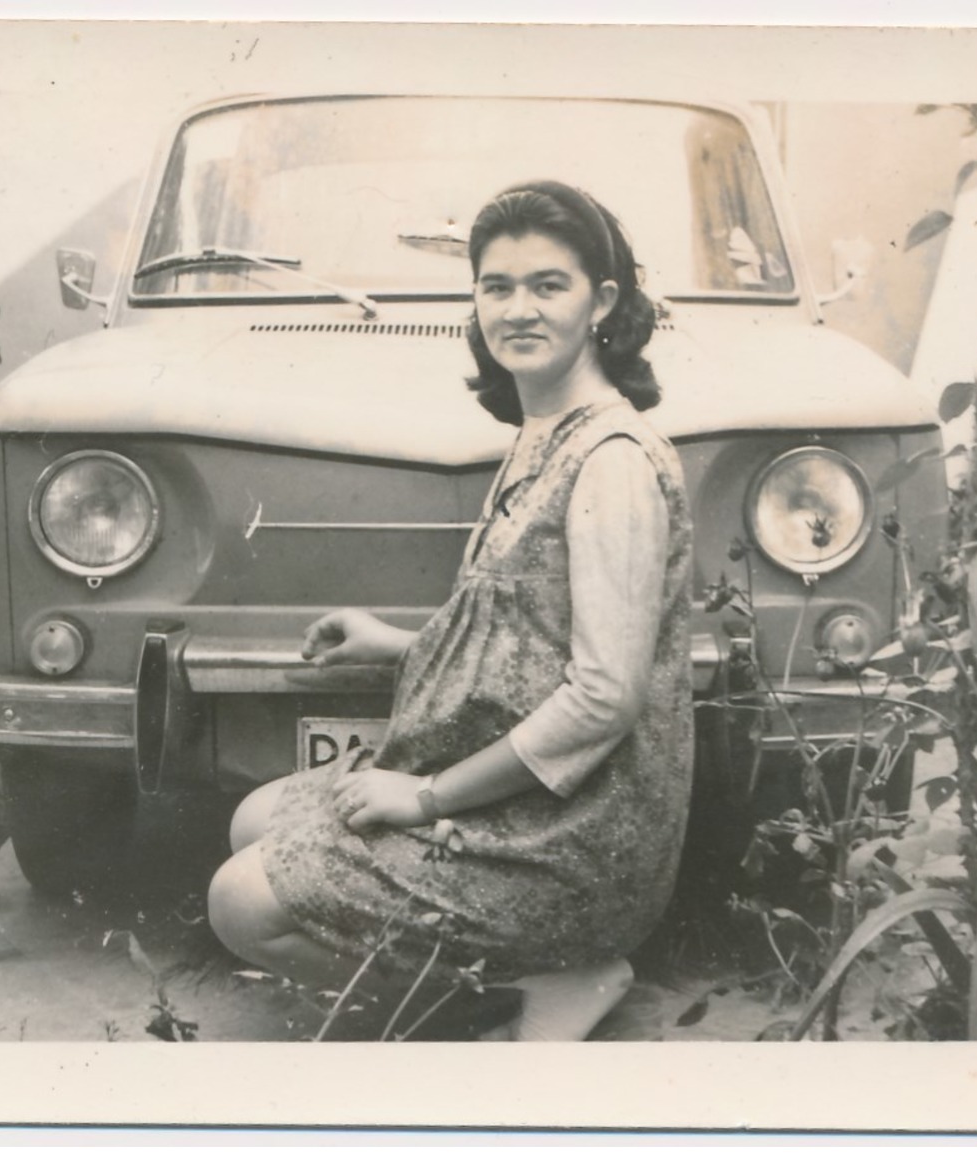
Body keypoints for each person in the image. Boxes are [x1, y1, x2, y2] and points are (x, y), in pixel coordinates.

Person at [206, 180, 695, 1041]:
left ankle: (539, 983)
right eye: (495, 286)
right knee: (253, 818)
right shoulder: (546, 432)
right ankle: (528, 975)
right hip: (532, 806)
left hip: (571, 839)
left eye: (549, 285)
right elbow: (523, 641)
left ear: (602, 301)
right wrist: (395, 643)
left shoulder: (613, 459)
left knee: (241, 903)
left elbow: (601, 699)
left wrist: (425, 798)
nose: (518, 310)